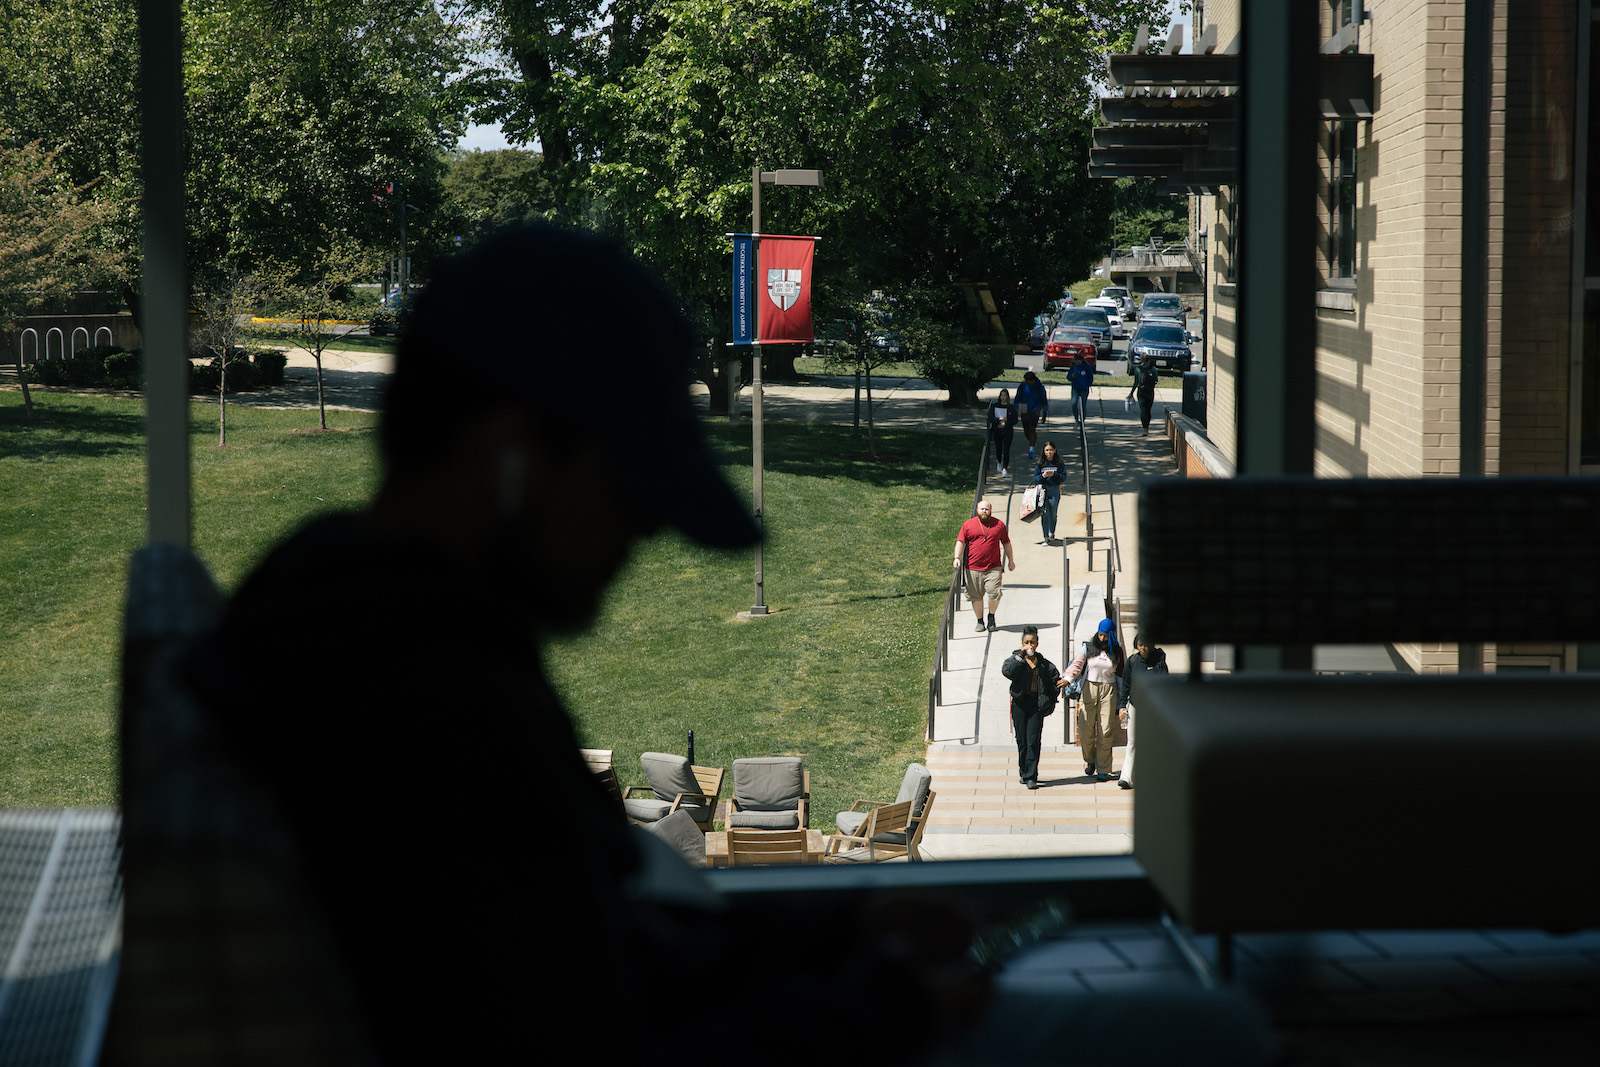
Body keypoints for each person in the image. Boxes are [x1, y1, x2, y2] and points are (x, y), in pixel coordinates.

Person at [169, 225, 987, 1065]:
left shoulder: (360, 605)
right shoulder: (422, 700)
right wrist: (888, 1012)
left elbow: (607, 928)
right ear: (508, 458)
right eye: (627, 489)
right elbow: (587, 1032)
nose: (641, 530)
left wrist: (838, 921)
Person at [1001, 625, 1068, 789]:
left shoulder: (1044, 664)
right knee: (1022, 741)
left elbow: (1055, 679)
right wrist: (1021, 656)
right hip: (1019, 705)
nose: (1029, 645)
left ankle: (1031, 776)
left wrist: (1058, 687)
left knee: (1033, 741)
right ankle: (1024, 772)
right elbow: (1007, 671)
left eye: (1032, 642)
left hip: (1036, 707)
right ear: (1022, 643)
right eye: (1026, 642)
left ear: (1037, 644)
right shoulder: (1016, 659)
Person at [1064, 618, 1125, 781]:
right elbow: (1077, 664)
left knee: (1105, 730)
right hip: (1089, 688)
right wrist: (1067, 678)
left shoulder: (1117, 652)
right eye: (1100, 634)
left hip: (1109, 690)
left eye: (1105, 635)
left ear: (1111, 635)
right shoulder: (1089, 647)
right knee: (1085, 730)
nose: (1102, 638)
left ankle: (1103, 768)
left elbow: (1121, 675)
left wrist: (1122, 702)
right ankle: (1090, 760)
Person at [1116, 633, 1169, 790]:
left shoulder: (1159, 663)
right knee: (1132, 742)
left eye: (1145, 645)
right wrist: (1121, 706)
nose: (1143, 648)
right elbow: (1125, 685)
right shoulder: (1132, 661)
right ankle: (1126, 777)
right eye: (1140, 645)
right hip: (1134, 706)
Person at [954, 499, 1014, 632]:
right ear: (977, 510)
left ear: (991, 510)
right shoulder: (968, 525)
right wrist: (957, 557)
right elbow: (961, 542)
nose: (984, 511)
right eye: (982, 509)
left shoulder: (999, 525)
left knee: (994, 593)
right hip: (972, 567)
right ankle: (980, 621)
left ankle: (991, 616)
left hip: (993, 567)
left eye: (987, 508)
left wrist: (1010, 560)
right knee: (976, 596)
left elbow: (1006, 543)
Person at [1032, 440, 1064, 545]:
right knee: (1044, 514)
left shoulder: (1059, 463)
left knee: (1053, 514)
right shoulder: (1040, 463)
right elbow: (1036, 479)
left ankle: (1052, 532)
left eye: (1050, 450)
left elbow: (1063, 477)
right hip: (1043, 491)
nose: (1048, 452)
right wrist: (1043, 476)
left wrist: (1053, 475)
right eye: (1046, 450)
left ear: (1054, 451)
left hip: (1054, 490)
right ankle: (1045, 537)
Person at [1014, 371, 1050, 459]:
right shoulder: (1022, 386)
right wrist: (1016, 408)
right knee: (1026, 430)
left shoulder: (1039, 387)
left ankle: (1031, 449)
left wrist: (1044, 414)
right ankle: (1032, 442)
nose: (1028, 383)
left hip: (1035, 409)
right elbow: (1018, 397)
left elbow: (1044, 400)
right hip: (1024, 408)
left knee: (1032, 429)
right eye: (1027, 381)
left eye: (1029, 381)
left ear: (1033, 380)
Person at [988, 388, 1017, 475]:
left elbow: (1015, 420)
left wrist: (1006, 422)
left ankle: (1005, 467)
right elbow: (991, 417)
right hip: (997, 430)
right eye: (1001, 395)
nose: (1003, 397)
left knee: (1006, 449)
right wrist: (998, 420)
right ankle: (999, 462)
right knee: (998, 448)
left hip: (1007, 430)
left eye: (1005, 395)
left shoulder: (1010, 407)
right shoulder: (995, 406)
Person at [1128, 354, 1159, 436]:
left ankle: (1144, 429)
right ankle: (1147, 428)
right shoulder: (1153, 369)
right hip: (1150, 392)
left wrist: (1131, 393)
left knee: (1143, 410)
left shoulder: (1138, 369)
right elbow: (1156, 380)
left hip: (1141, 392)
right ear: (1149, 360)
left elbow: (1136, 383)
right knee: (1148, 410)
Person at [1065, 352, 1094, 423]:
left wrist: (1087, 384)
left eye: (1079, 360)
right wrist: (1072, 376)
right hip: (1075, 388)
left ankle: (1082, 420)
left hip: (1084, 389)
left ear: (1081, 360)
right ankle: (1076, 418)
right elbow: (1068, 377)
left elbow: (1090, 377)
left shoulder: (1086, 367)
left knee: (1083, 405)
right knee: (1074, 403)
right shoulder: (1073, 366)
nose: (1077, 362)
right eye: (1075, 360)